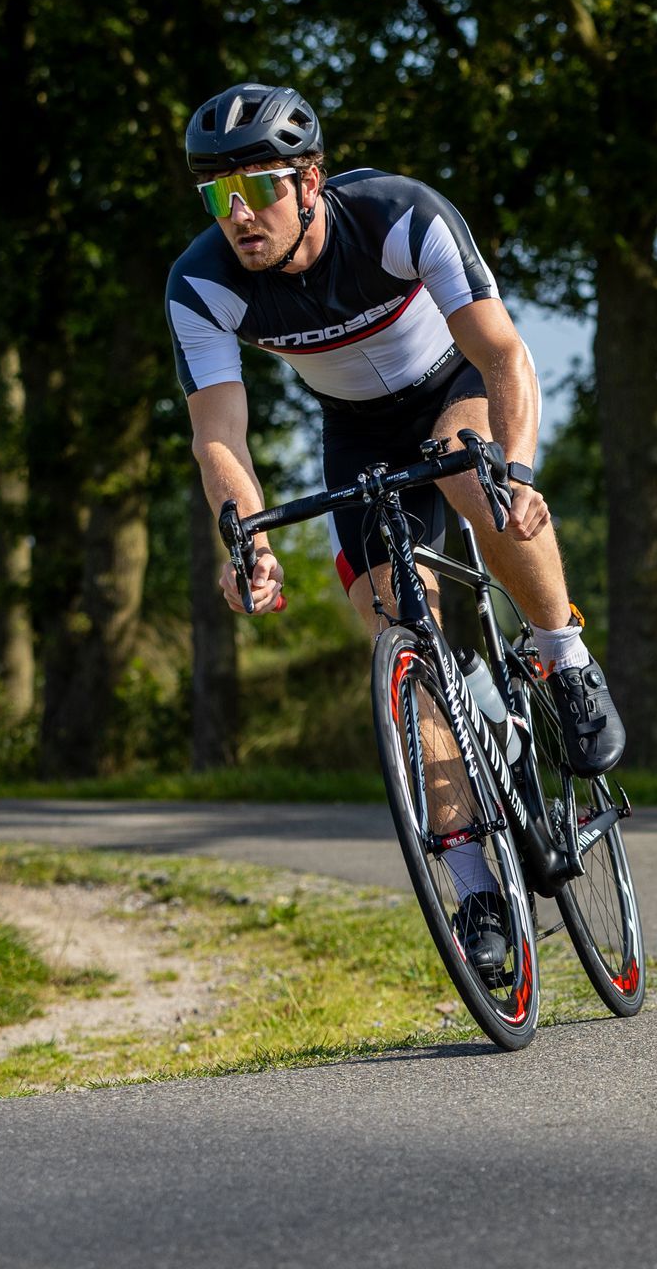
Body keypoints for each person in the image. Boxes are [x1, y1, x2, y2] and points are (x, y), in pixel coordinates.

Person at [166, 82, 623, 973]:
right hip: (357, 435)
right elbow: (218, 435)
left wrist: (519, 470)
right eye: (216, 198)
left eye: (257, 190)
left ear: (310, 182)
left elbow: (504, 354)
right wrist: (246, 536)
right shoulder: (201, 283)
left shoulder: (400, 217)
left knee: (469, 472)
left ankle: (563, 656)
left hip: (453, 389)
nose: (238, 217)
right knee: (403, 650)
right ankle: (473, 885)